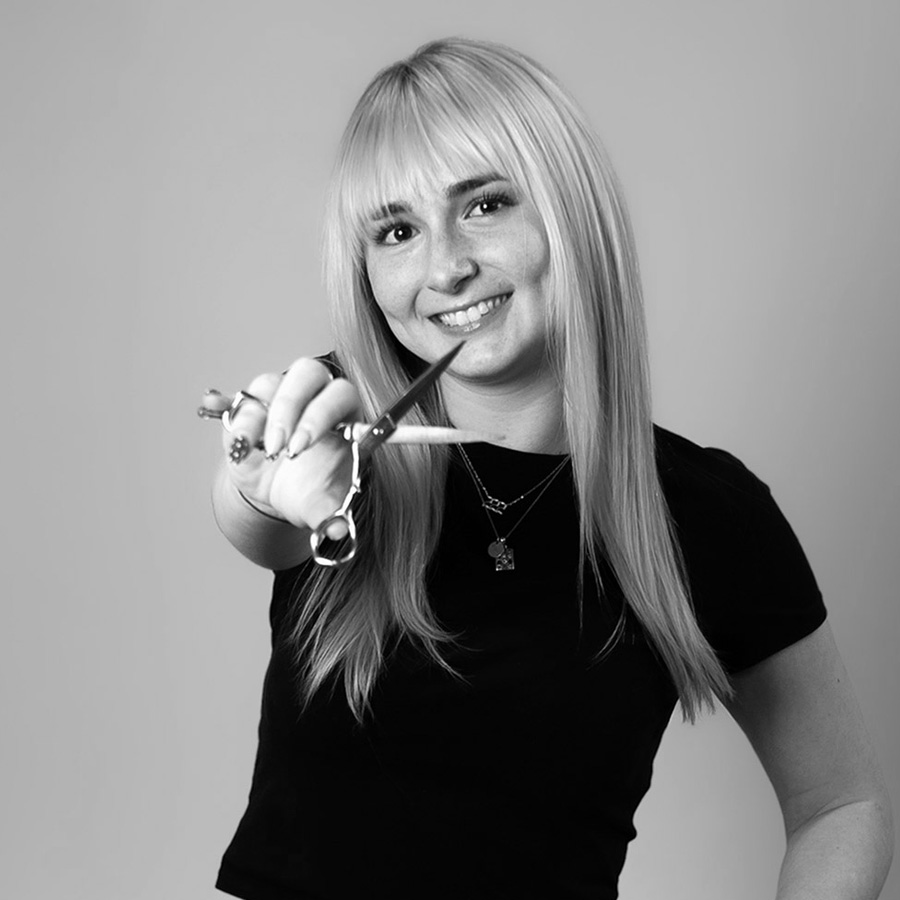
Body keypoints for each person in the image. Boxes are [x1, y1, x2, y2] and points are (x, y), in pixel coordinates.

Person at [203, 37, 893, 900]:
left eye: (485, 205)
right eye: (397, 230)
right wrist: (258, 484)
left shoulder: (706, 511)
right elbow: (260, 523)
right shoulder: (339, 437)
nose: (446, 265)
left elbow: (842, 803)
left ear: (569, 213)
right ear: (366, 270)